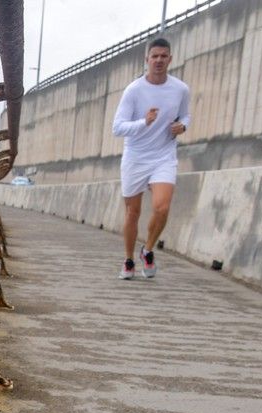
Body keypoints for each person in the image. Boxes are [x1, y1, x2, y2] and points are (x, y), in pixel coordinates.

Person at [112, 37, 190, 279]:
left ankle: (147, 250)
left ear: (170, 59)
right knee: (132, 212)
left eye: (163, 56)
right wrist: (143, 122)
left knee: (162, 207)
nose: (158, 60)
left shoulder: (180, 89)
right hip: (136, 156)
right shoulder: (134, 90)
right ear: (147, 60)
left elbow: (186, 116)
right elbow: (118, 127)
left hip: (163, 155)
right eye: (154, 56)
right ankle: (128, 260)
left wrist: (182, 127)